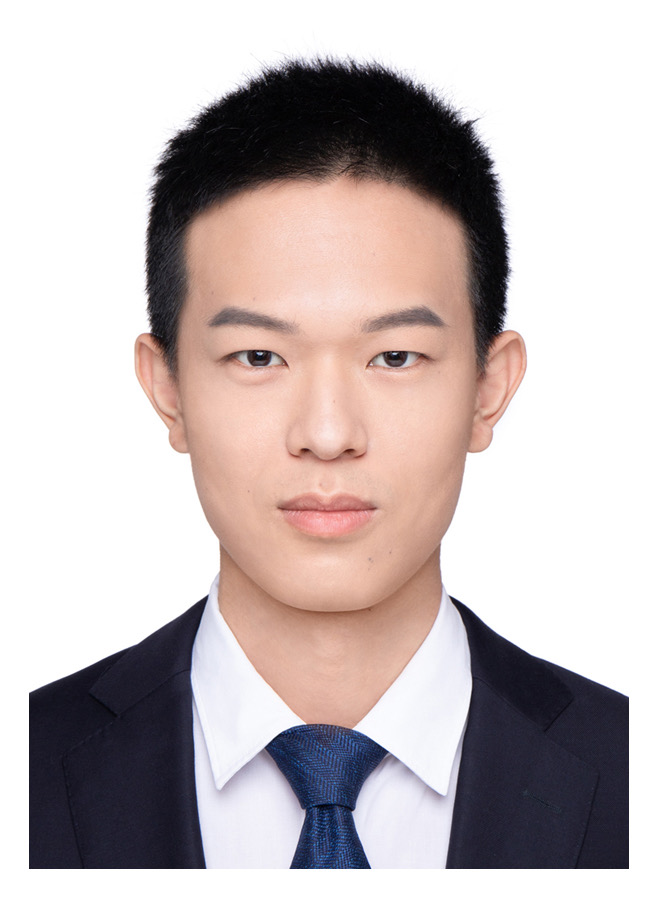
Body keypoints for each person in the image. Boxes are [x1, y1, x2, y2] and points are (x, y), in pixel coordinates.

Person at [29, 58, 628, 869]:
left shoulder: (633, 773)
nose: (327, 432)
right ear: (167, 388)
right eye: (257, 356)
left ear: (488, 387)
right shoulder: (25, 767)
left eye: (394, 356)